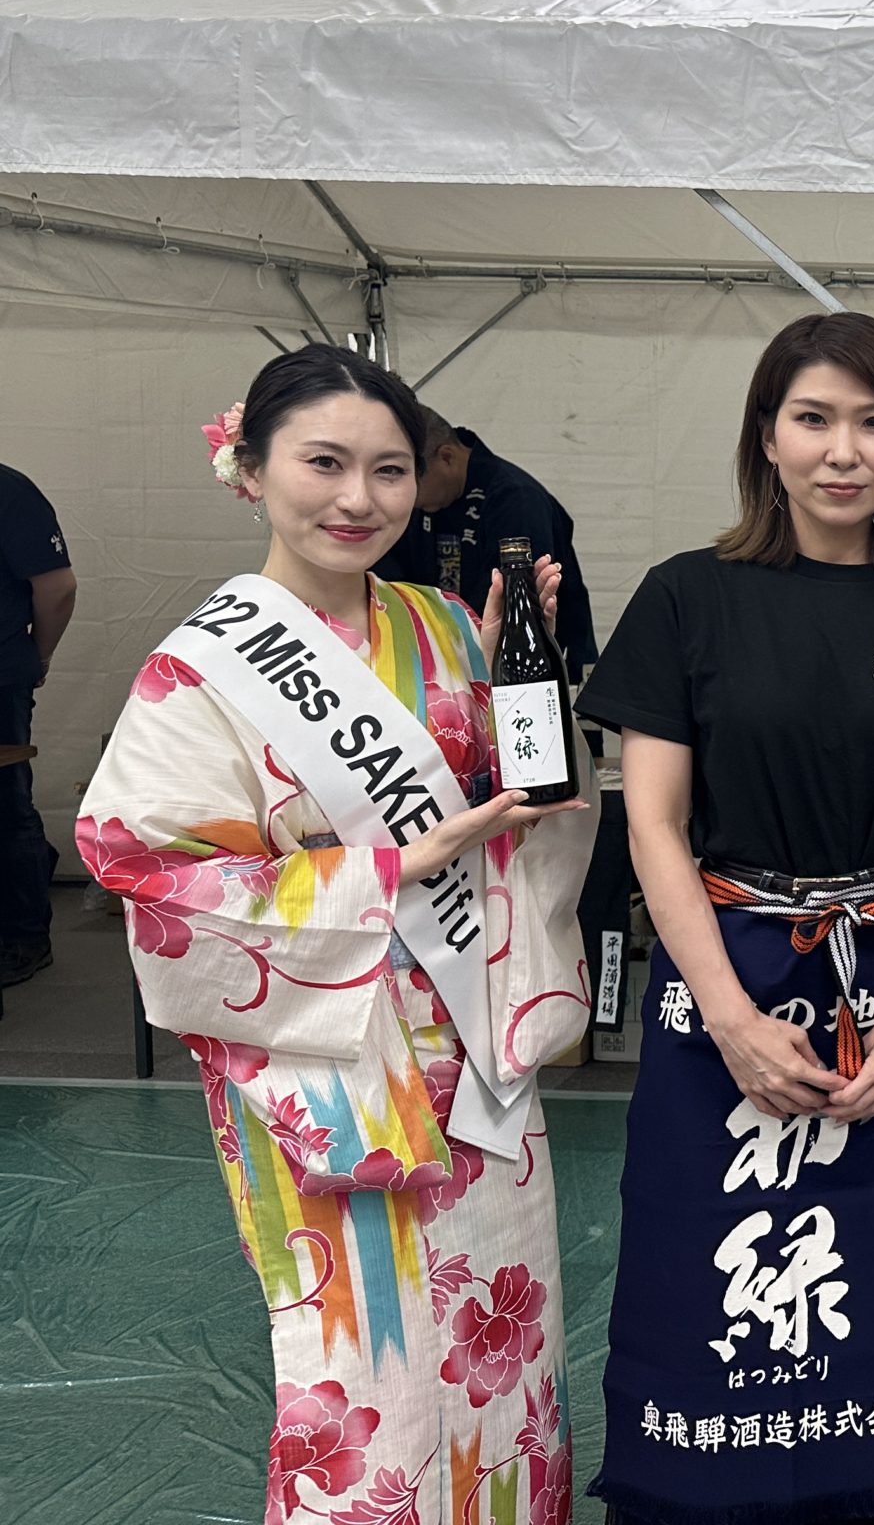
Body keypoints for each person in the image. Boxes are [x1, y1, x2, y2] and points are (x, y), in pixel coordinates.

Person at [77, 345, 595, 1525]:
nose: (358, 499)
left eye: (389, 470)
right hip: (323, 1061)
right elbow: (146, 870)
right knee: (364, 1364)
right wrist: (390, 871)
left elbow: (527, 810)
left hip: (476, 1037)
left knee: (506, 1340)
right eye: (324, 464)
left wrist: (520, 686)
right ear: (251, 468)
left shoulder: (447, 624)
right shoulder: (199, 670)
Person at [580, 311, 874, 1525]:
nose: (845, 451)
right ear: (767, 437)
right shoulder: (687, 598)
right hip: (726, 970)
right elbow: (653, 824)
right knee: (701, 1275)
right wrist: (730, 1020)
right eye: (814, 419)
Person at [380, 409, 598, 676]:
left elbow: (511, 602)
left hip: (525, 664)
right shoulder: (429, 501)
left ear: (446, 457)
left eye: (410, 478)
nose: (406, 493)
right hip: (442, 659)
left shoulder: (516, 499)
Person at [1, 460, 74, 987]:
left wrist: (39, 655)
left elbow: (57, 588)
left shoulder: (8, 490)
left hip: (0, 671)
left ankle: (24, 938)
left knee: (6, 807)